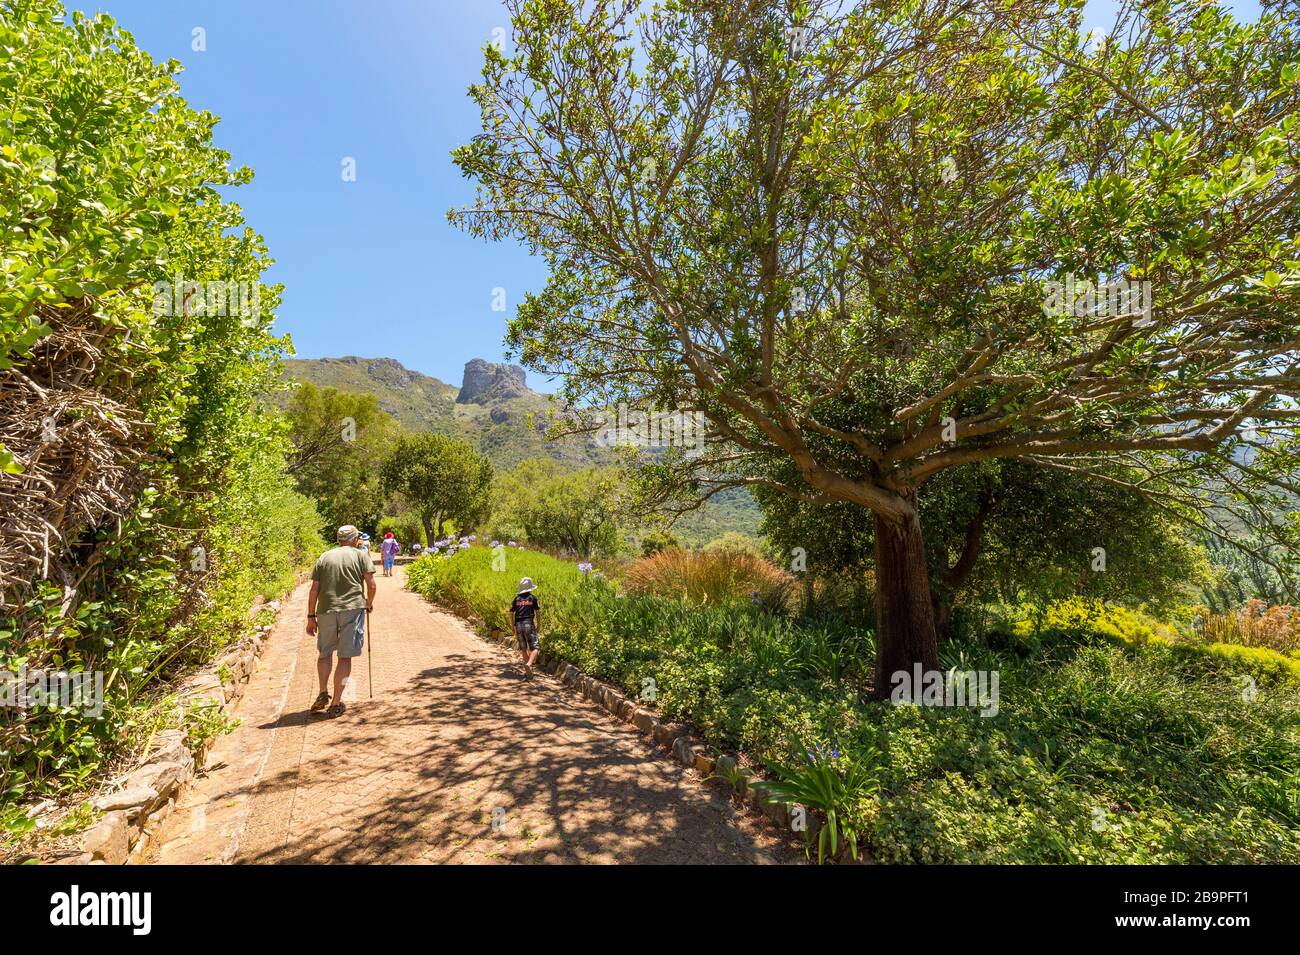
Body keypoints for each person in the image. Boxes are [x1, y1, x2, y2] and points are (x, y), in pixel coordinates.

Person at [305, 525, 376, 717]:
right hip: (352, 610)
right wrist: (368, 604)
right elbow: (371, 585)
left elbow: (314, 590)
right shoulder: (361, 556)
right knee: (344, 656)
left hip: (325, 609)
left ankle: (322, 692)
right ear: (354, 539)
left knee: (325, 653)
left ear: (339, 539)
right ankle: (336, 703)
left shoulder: (325, 557)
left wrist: (310, 617)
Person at [509, 577, 541, 678]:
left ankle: (528, 672)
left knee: (523, 648)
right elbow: (538, 613)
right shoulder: (533, 598)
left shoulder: (516, 599)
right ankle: (529, 664)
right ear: (530, 588)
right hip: (528, 623)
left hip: (518, 624)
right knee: (535, 647)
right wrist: (539, 625)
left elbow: (510, 613)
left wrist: (512, 626)